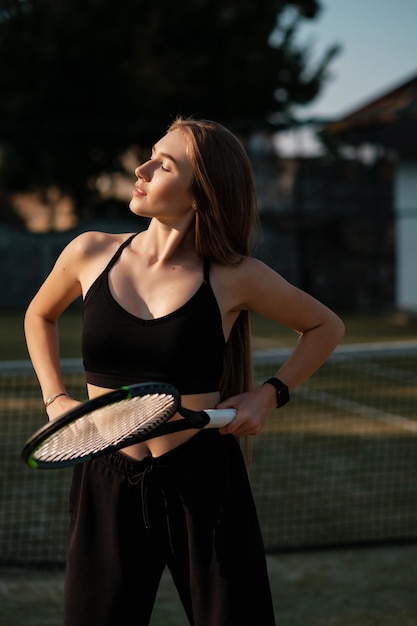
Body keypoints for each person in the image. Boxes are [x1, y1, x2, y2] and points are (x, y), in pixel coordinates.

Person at [24, 117, 345, 626]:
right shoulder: (89, 251)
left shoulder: (237, 275)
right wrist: (54, 398)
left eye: (164, 163)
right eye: (150, 154)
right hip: (106, 477)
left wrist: (270, 393)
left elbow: (325, 325)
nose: (142, 168)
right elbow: (38, 314)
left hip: (204, 482)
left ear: (202, 193)